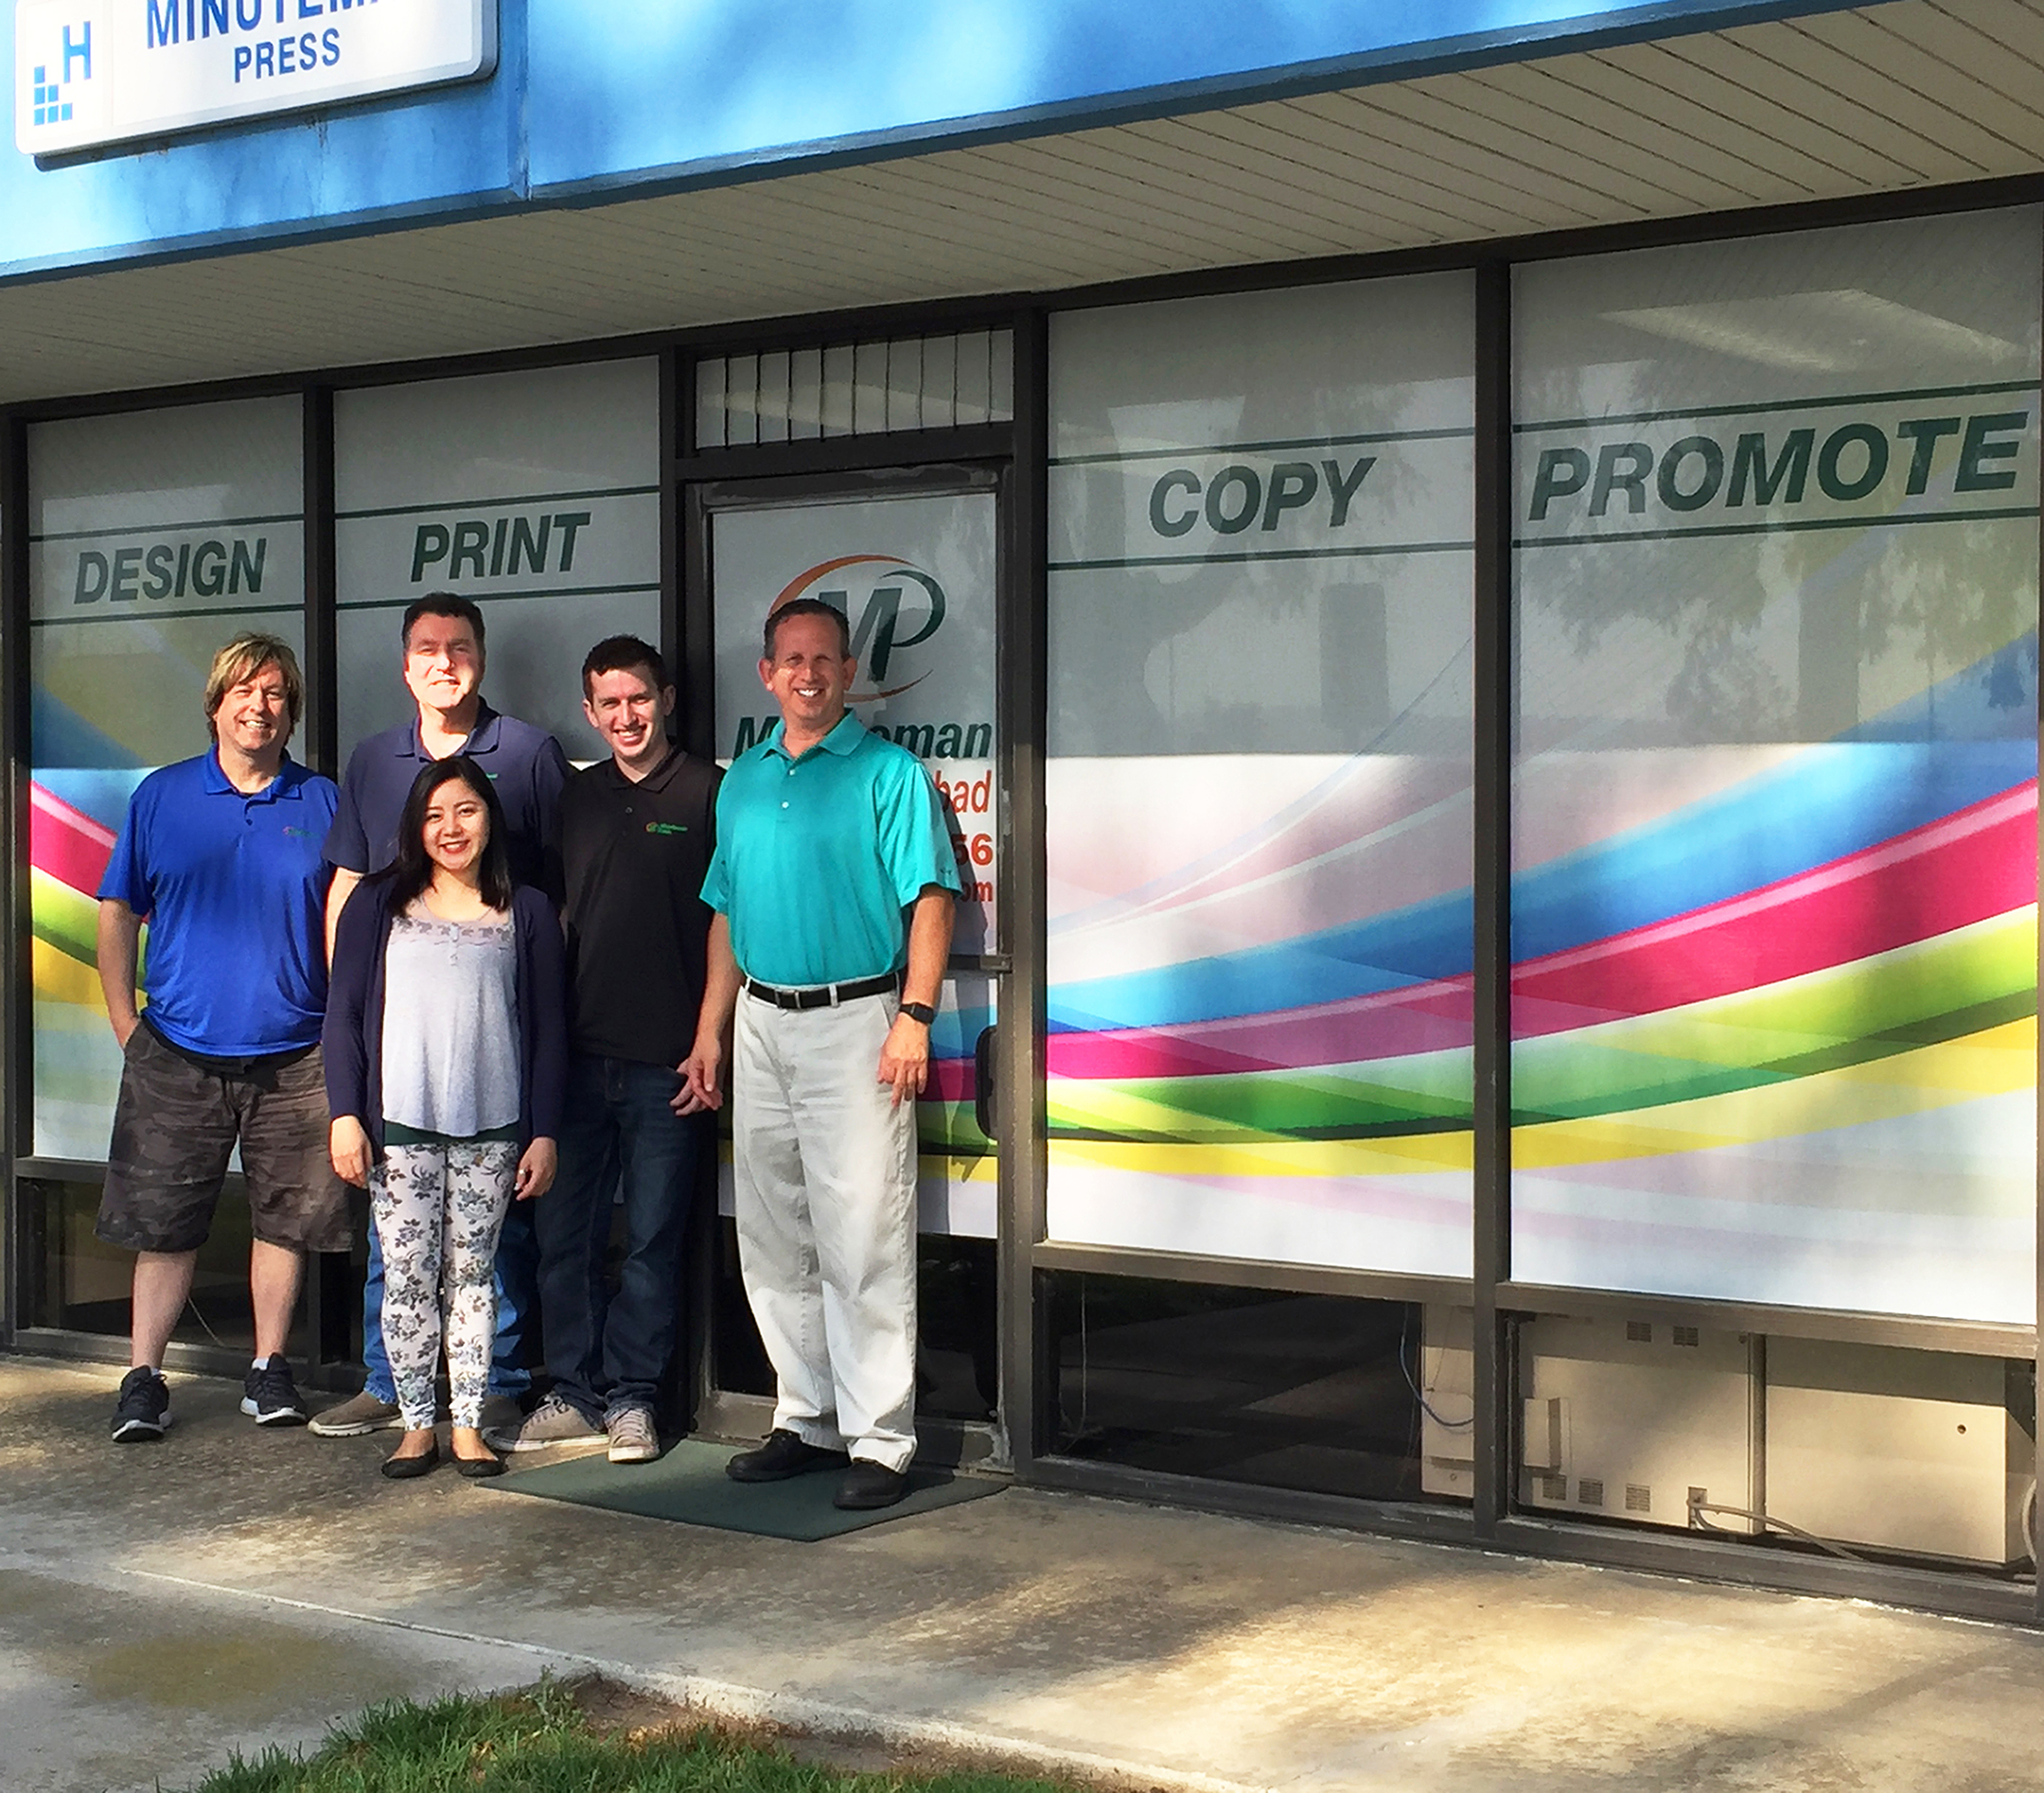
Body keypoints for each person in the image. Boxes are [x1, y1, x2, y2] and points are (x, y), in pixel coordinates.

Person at [681, 597, 960, 1510]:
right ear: (767, 674)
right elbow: (726, 909)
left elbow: (929, 898)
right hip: (761, 1019)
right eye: (791, 659)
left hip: (857, 1022)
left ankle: (880, 1439)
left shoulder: (888, 774)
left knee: (864, 1231)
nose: (807, 673)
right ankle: (805, 1417)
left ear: (848, 674)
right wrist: (710, 1029)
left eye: (824, 659)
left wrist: (913, 1016)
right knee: (773, 1232)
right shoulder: (743, 778)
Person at [310, 593, 569, 1439]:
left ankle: (486, 1392)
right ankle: (395, 1390)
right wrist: (353, 1056)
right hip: (404, 1073)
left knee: (491, 1256)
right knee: (401, 1254)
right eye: (427, 647)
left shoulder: (529, 753)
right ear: (406, 663)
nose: (444, 661)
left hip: (491, 1067)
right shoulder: (373, 758)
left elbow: (555, 905)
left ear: (481, 657)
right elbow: (347, 887)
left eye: (459, 646)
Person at [97, 634, 344, 1443]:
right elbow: (117, 912)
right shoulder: (161, 797)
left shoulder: (323, 803)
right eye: (244, 691)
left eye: (275, 693)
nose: (259, 706)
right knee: (163, 1224)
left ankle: (268, 1369)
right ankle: (144, 1378)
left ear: (291, 711)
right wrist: (127, 1026)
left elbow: (347, 921)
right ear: (215, 704)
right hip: (175, 1048)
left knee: (287, 1221)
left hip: (296, 1053)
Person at [488, 638, 721, 1465]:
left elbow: (729, 926)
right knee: (566, 1236)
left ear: (664, 699)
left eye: (639, 700)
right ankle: (575, 1392)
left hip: (669, 1065)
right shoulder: (575, 800)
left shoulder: (707, 791)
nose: (627, 717)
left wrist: (707, 1037)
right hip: (577, 1062)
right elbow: (546, 922)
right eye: (609, 705)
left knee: (653, 1242)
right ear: (590, 713)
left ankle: (633, 1401)